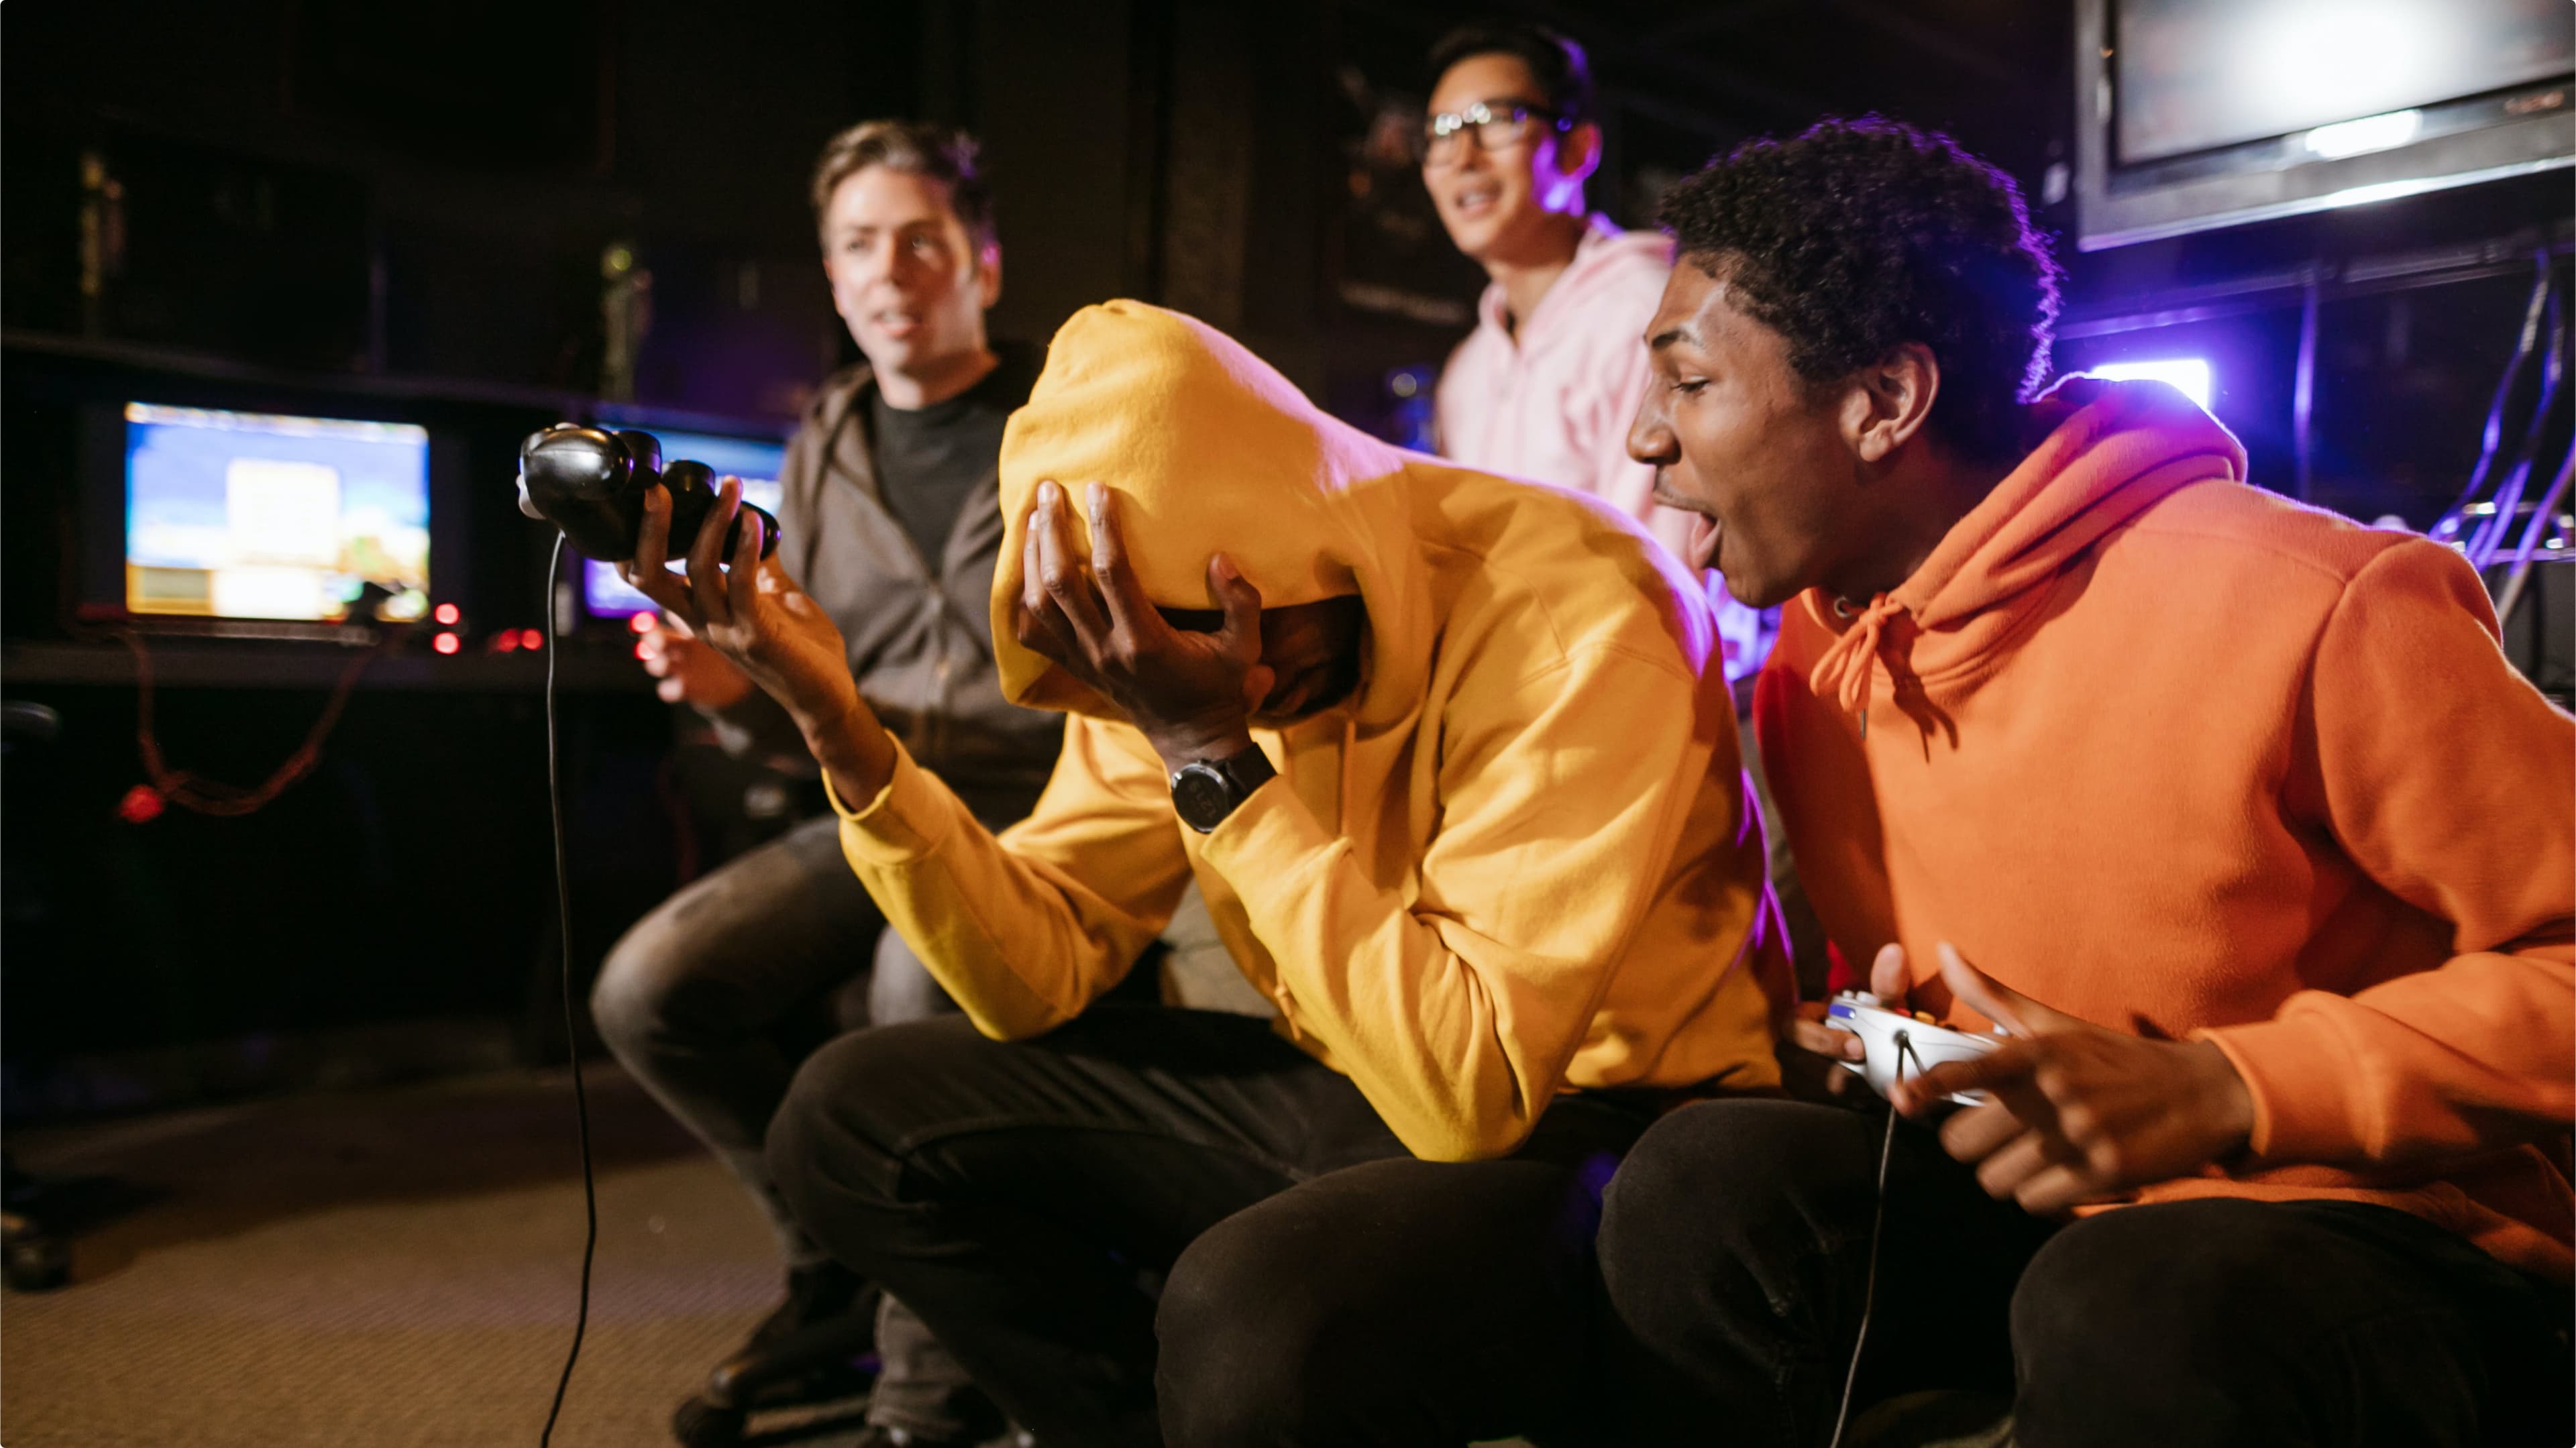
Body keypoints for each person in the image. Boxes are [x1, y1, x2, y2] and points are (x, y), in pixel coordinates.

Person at [617, 297, 1789, 1447]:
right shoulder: (1152, 630)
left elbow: (1470, 1093)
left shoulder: (1580, 599)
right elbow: (1034, 972)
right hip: (1351, 1074)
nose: (1248, 691)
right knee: (847, 1115)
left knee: (1251, 1320)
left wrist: (1211, 751)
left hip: (1597, 1128)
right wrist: (841, 727)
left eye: (1248, 656)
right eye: (1176, 676)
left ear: (1310, 547)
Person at [1600, 115, 2575, 1446]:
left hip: (2378, 1245)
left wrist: (2227, 1088)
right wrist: (1890, 1046)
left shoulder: (2320, 601)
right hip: (2053, 1228)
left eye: (1689, 383)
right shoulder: (1817, 660)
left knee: (2132, 1307)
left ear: (1883, 402)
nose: (1644, 439)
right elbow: (1978, 1022)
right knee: (1701, 1187)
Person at [590, 119, 1058, 1446]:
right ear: (833, 273)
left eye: (921, 240)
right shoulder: (821, 443)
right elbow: (810, 691)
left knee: (912, 990)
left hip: (1041, 816)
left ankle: (931, 1394)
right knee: (650, 991)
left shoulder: (1072, 419)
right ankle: (833, 1276)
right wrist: (736, 691)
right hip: (868, 799)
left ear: (984, 264)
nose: (890, 270)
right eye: (859, 244)